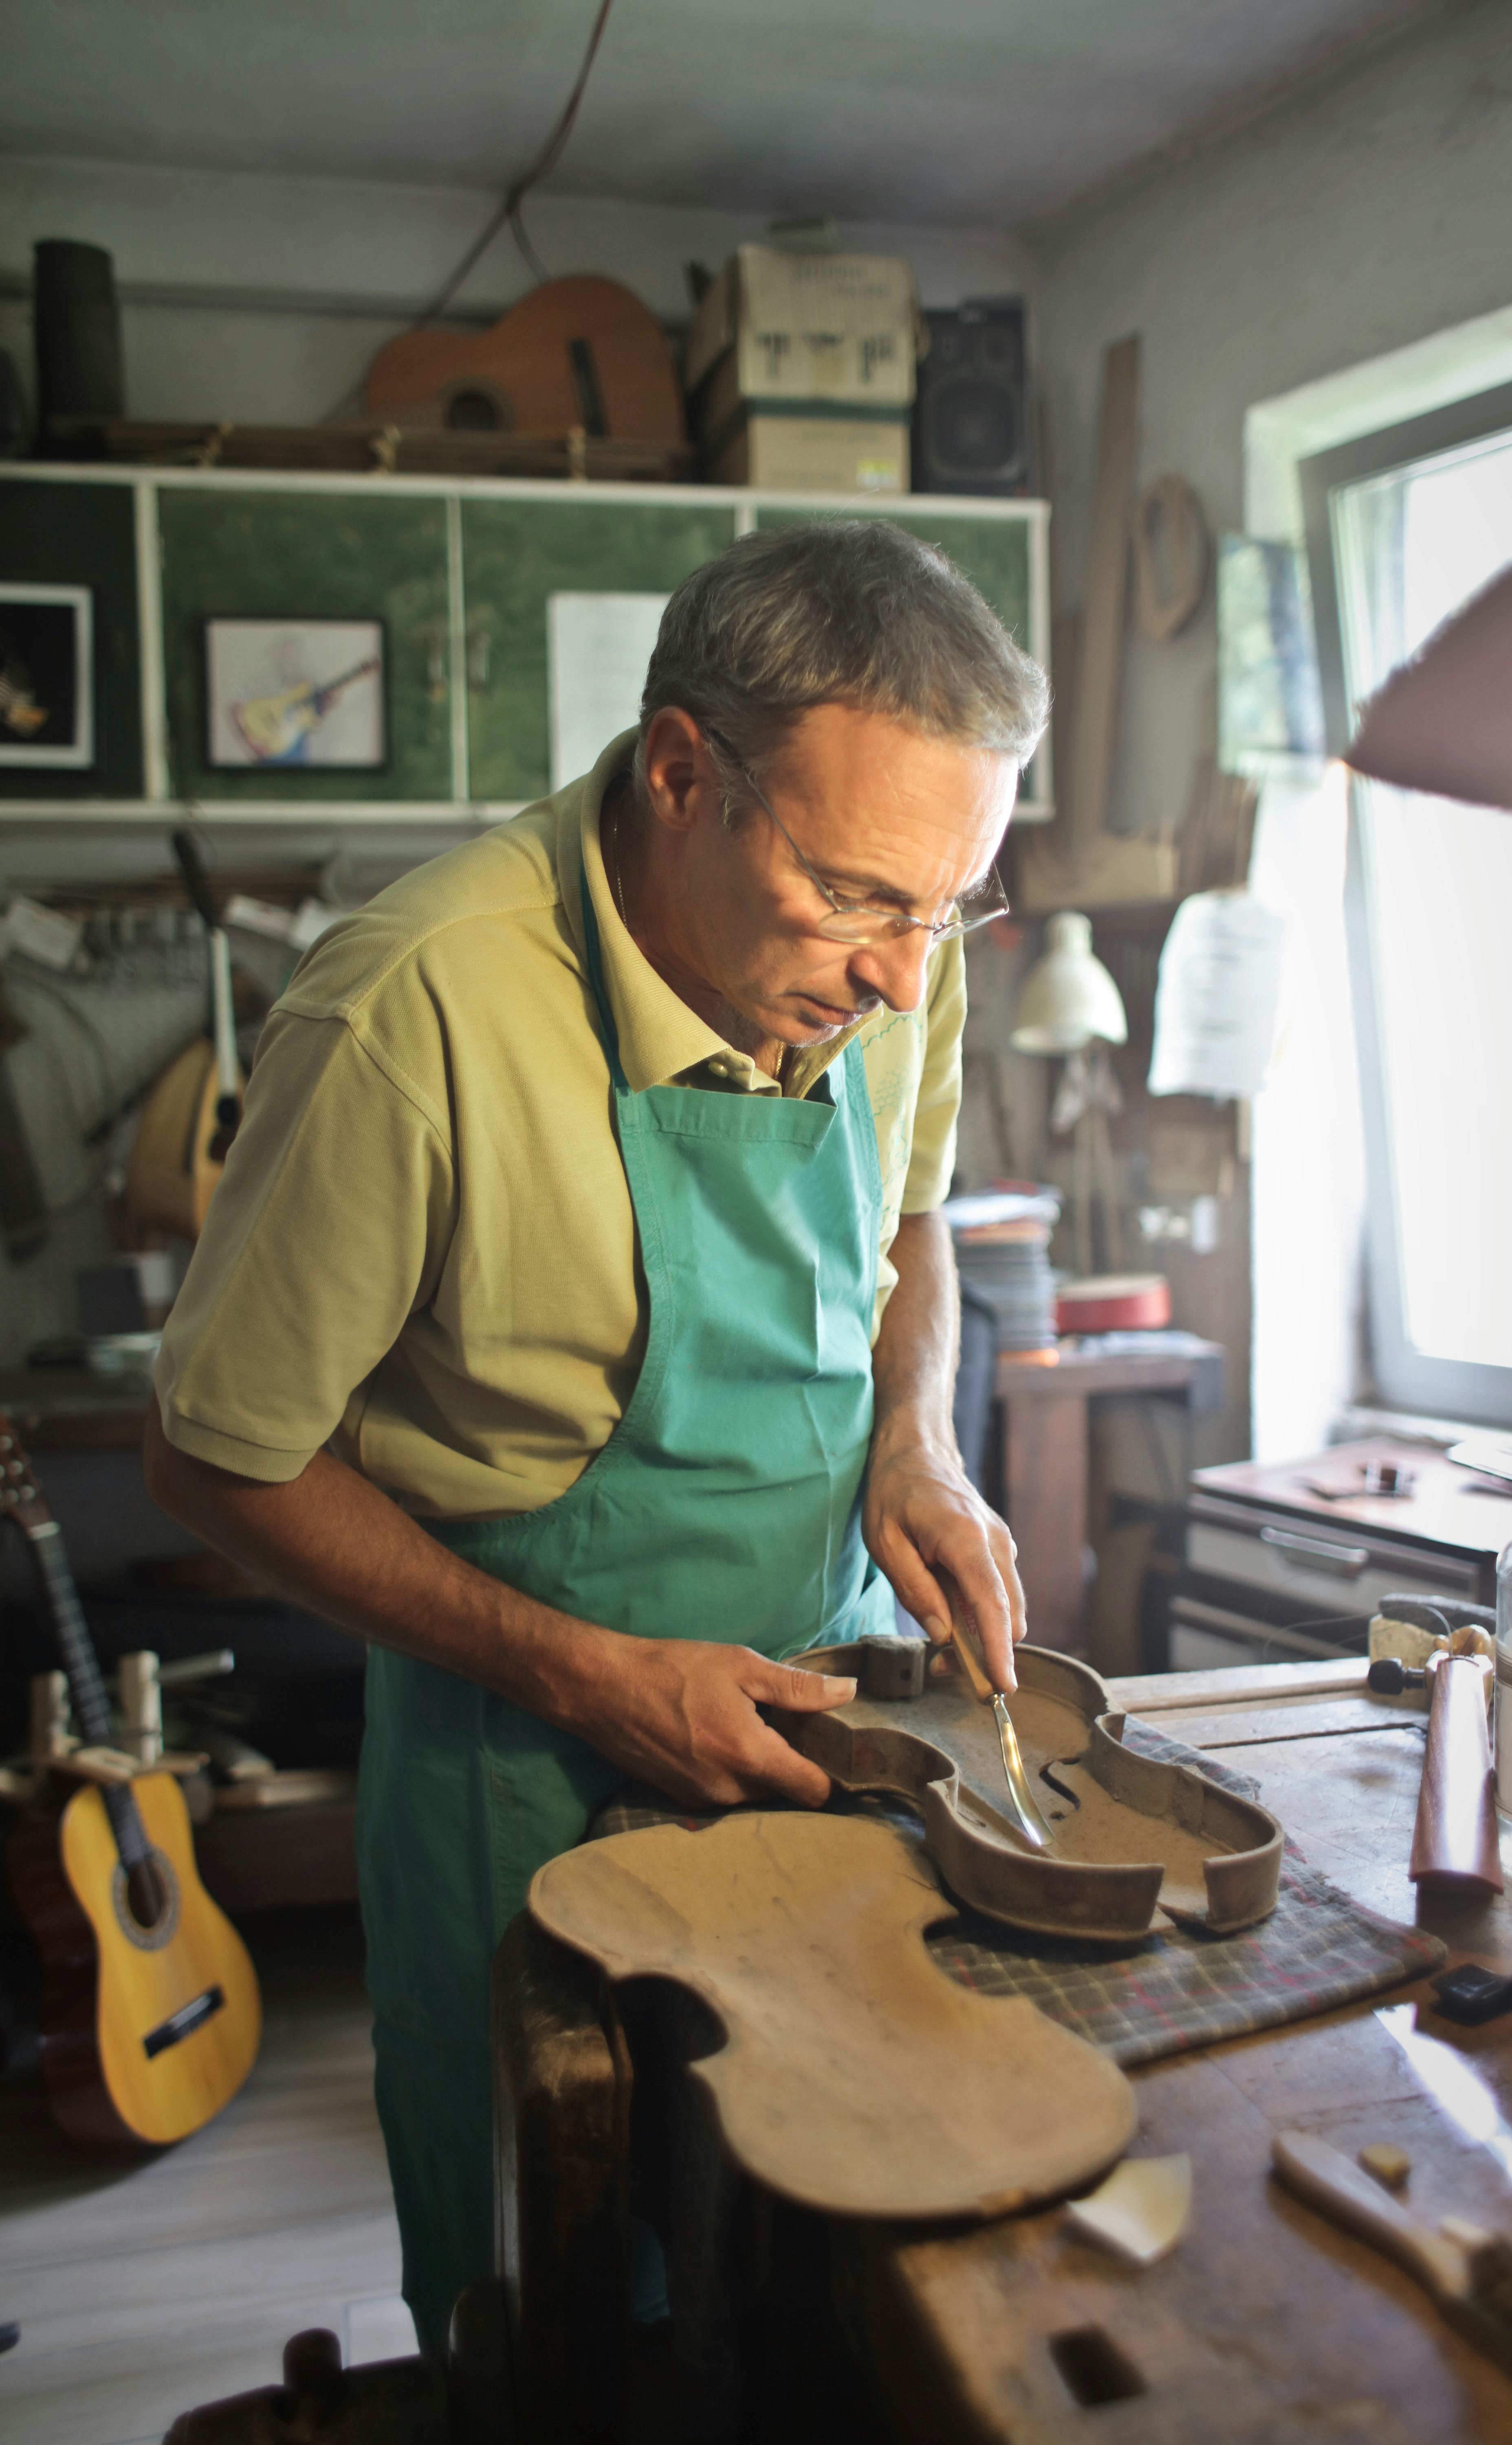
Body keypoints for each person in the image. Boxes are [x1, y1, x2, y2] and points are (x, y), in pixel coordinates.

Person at [144, 518, 1049, 2350]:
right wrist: (582, 1675)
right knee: (569, 2310)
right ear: (678, 774)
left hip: (825, 1719)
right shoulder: (414, 1010)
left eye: (946, 910)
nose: (899, 974)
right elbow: (216, 1459)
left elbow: (910, 1225)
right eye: (860, 900)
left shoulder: (900, 937)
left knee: (829, 2271)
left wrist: (915, 1442)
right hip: (526, 1770)